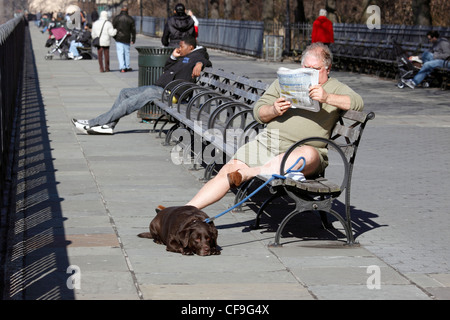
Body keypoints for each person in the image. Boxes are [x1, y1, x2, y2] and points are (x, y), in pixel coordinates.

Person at [185, 42, 364, 210]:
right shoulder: (285, 82)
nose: (309, 73)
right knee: (229, 169)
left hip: (305, 152)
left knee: (306, 154)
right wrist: (274, 109)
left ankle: (249, 173)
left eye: (315, 70)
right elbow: (258, 112)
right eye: (306, 68)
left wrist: (326, 98)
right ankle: (186, 210)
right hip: (269, 142)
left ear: (327, 69)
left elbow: (357, 103)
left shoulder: (334, 87)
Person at [72, 36, 211, 135]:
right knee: (124, 92)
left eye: (181, 46)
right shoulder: (187, 56)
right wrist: (173, 57)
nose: (179, 48)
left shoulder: (197, 56)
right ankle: (108, 125)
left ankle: (93, 123)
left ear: (191, 47)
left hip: (171, 95)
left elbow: (205, 60)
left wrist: (200, 64)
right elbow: (168, 68)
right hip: (160, 89)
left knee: (129, 104)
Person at [112, 6, 136, 73]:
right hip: (127, 38)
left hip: (118, 38)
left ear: (121, 10)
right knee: (127, 53)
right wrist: (133, 39)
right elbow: (133, 30)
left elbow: (113, 28)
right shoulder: (130, 19)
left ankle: (122, 67)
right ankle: (127, 66)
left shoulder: (117, 18)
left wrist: (115, 37)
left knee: (120, 53)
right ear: (127, 10)